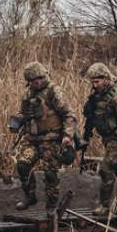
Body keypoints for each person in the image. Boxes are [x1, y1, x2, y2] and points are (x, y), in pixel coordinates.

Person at [13, 61, 77, 212]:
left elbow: (69, 115)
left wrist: (68, 135)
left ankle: (52, 205)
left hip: (51, 139)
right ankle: (30, 196)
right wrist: (16, 123)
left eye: (40, 78)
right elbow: (23, 113)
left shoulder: (54, 91)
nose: (38, 82)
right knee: (22, 165)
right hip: (32, 138)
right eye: (34, 80)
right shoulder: (28, 94)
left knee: (50, 173)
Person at [82, 62, 117, 216]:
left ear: (106, 79)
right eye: (92, 82)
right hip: (109, 139)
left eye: (97, 81)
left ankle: (105, 206)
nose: (94, 85)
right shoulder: (99, 95)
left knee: (106, 169)